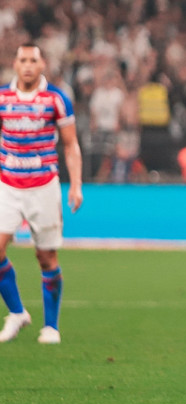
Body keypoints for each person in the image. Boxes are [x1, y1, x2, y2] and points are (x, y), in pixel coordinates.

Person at [0, 44, 83, 344]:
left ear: (42, 64)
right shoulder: (2, 97)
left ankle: (51, 327)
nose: (27, 66)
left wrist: (75, 184)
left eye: (33, 60)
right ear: (15, 63)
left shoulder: (56, 99)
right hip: (7, 184)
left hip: (43, 186)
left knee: (45, 256)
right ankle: (18, 312)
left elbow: (71, 144)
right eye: (22, 60)